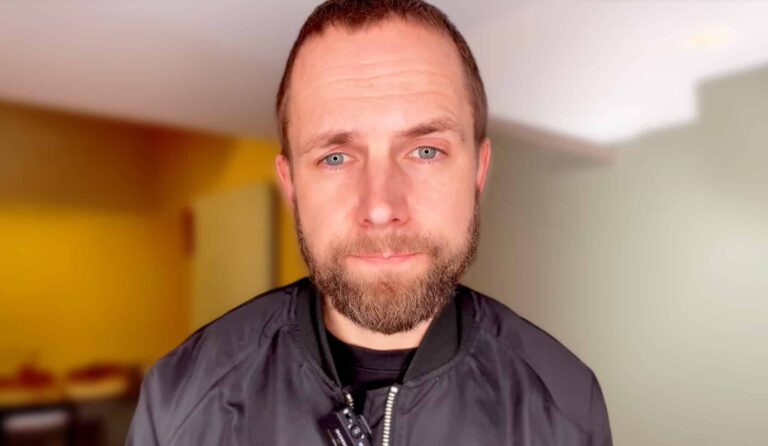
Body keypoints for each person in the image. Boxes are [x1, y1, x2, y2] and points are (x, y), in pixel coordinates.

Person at [126, 1, 612, 445]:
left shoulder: (566, 404)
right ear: (291, 183)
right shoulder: (179, 402)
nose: (380, 208)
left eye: (426, 151)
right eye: (336, 157)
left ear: (478, 172)